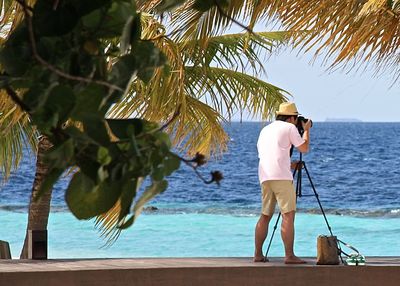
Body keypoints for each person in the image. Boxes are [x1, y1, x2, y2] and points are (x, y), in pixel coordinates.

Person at [254, 102, 311, 264]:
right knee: (288, 215)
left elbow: (272, 155)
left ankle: (257, 254)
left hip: (265, 176)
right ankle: (289, 256)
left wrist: (291, 165)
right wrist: (306, 130)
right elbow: (304, 148)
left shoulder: (265, 130)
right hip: (282, 178)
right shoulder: (290, 128)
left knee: (265, 216)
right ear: (292, 118)